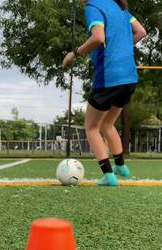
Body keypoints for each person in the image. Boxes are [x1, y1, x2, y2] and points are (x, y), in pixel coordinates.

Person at [62, 0, 147, 186]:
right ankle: (120, 166)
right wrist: (122, 49)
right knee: (108, 123)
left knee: (91, 127)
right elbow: (141, 32)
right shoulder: (120, 7)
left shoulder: (94, 7)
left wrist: (75, 53)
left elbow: (98, 38)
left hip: (109, 76)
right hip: (129, 76)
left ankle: (109, 176)